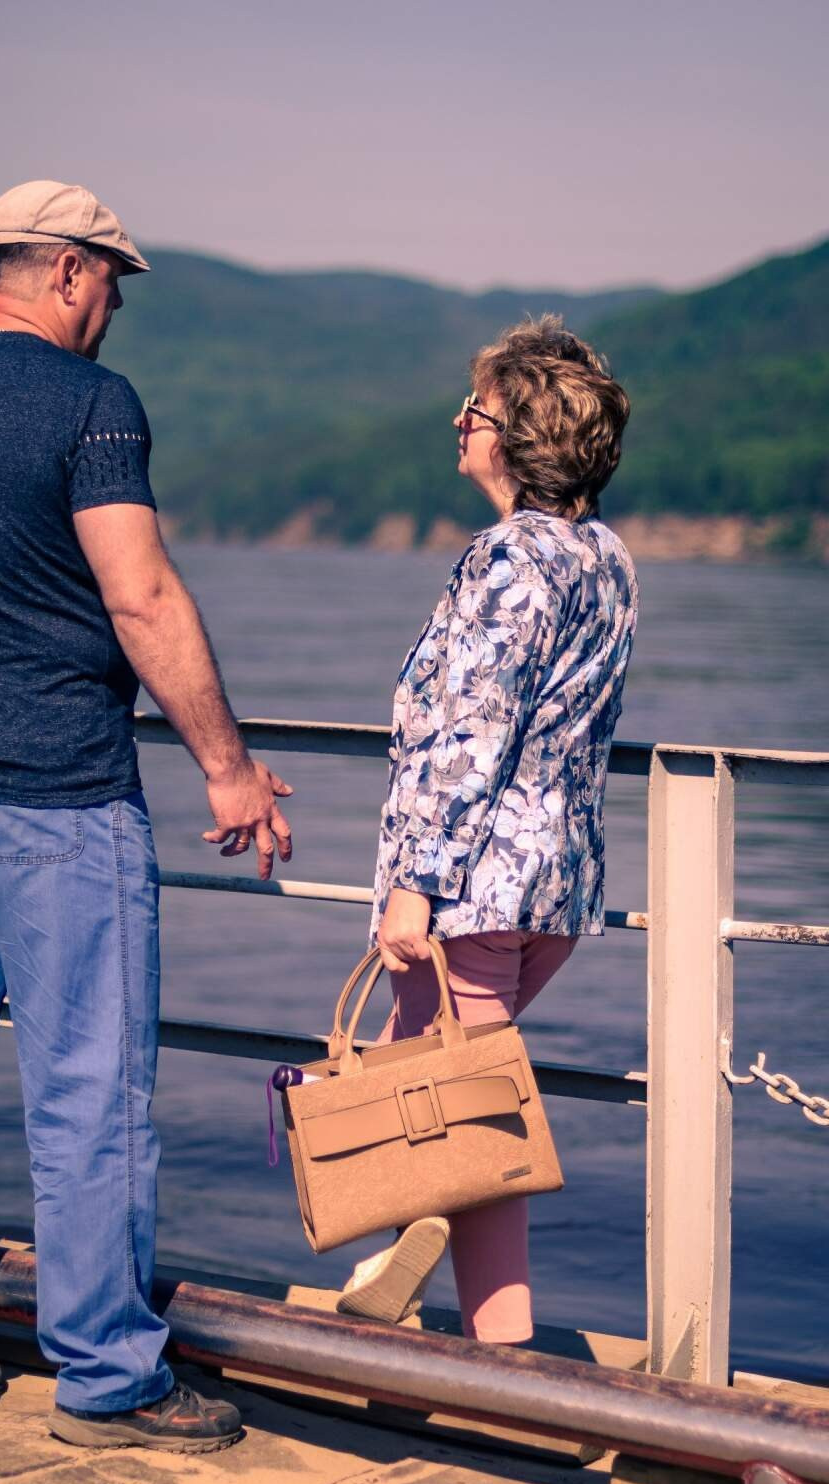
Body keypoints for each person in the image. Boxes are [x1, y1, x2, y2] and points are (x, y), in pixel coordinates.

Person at [0, 179, 293, 1452]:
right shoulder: (91, 403)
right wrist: (226, 767)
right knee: (88, 1093)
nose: (112, 317)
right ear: (68, 272)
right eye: (112, 290)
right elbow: (140, 597)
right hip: (61, 794)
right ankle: (107, 1378)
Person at [337, 317, 637, 1338]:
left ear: (513, 438)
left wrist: (413, 886)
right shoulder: (606, 557)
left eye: (472, 411)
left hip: (472, 889)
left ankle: (492, 1348)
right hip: (556, 888)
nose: (457, 425)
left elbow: (471, 735)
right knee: (438, 1089)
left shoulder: (508, 558)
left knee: (460, 1119)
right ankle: (422, 1273)